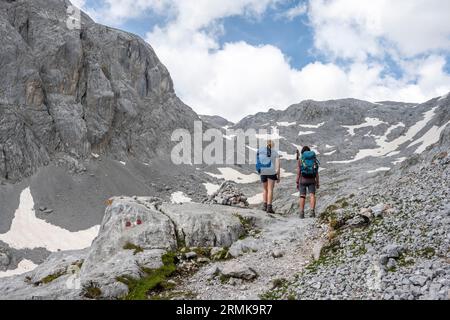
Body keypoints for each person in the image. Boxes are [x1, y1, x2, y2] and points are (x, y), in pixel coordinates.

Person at [256, 140, 280, 214]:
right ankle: (269, 207)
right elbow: (278, 165)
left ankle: (264, 206)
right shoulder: (275, 153)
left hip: (263, 171)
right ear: (272, 145)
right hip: (271, 171)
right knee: (270, 189)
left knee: (264, 189)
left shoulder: (261, 151)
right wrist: (278, 176)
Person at [296, 146, 320, 219]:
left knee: (302, 196)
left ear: (302, 152)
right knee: (312, 195)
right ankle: (312, 212)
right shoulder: (314, 159)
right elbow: (316, 172)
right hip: (312, 179)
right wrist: (317, 182)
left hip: (303, 180)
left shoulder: (300, 160)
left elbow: (298, 172)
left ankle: (301, 213)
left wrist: (297, 181)